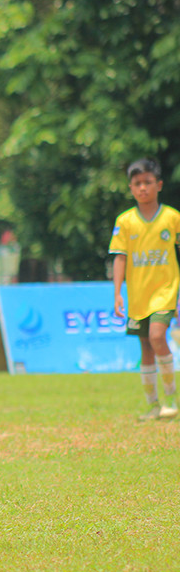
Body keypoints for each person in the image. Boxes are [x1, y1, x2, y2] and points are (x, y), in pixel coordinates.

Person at [110, 157, 180, 421]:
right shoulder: (125, 222)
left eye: (148, 182)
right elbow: (120, 257)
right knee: (146, 348)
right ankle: (153, 406)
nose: (143, 188)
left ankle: (171, 400)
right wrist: (117, 293)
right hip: (138, 296)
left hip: (165, 291)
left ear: (159, 185)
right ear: (130, 188)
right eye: (137, 183)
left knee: (157, 336)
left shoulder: (173, 218)